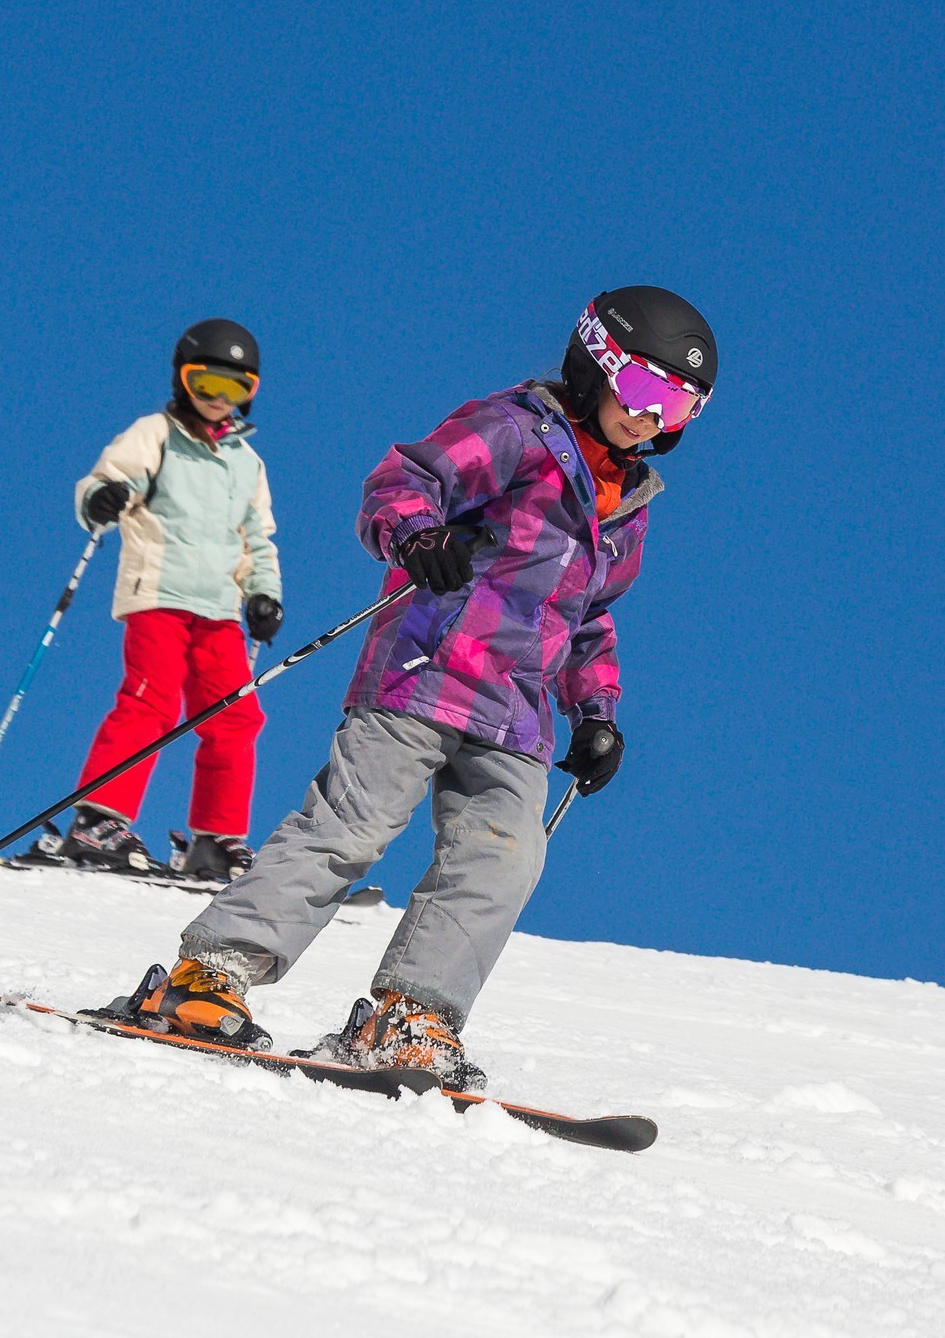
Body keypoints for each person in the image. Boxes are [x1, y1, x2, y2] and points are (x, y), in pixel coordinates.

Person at [127, 287, 717, 1085]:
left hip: (517, 715)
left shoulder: (628, 504)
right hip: (426, 672)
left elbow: (589, 621)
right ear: (595, 361)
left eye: (679, 406)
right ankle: (211, 975)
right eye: (646, 390)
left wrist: (596, 713)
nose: (654, 418)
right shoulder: (515, 430)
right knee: (351, 828)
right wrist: (418, 536)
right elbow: (402, 480)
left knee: (505, 860)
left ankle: (410, 1015)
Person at [57, 318, 283, 880]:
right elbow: (104, 481)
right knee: (150, 703)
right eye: (206, 384)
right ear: (184, 382)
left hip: (220, 611)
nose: (217, 400)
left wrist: (264, 595)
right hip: (157, 594)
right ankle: (98, 821)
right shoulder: (154, 433)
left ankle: (215, 840)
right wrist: (103, 499)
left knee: (236, 717)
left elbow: (259, 539)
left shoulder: (246, 464)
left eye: (234, 389)